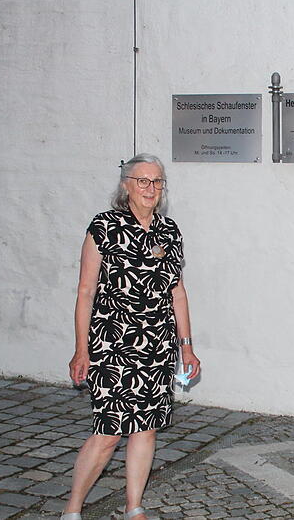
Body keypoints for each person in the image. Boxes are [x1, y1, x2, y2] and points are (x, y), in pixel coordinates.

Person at [63, 154, 200, 520]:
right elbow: (86, 292)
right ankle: (73, 509)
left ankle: (133, 506)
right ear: (126, 185)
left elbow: (178, 293)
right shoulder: (103, 227)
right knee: (108, 433)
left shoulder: (169, 232)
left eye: (157, 182)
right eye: (143, 181)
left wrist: (187, 347)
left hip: (156, 345)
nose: (150, 189)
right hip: (112, 346)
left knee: (147, 428)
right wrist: (81, 349)